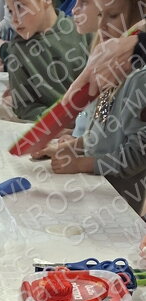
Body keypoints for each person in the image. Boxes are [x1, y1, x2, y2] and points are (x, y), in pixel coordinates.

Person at [35, 0, 146, 213]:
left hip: (116, 205)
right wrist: (71, 147)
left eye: (112, 16)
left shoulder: (140, 79)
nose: (101, 25)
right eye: (100, 15)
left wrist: (82, 164)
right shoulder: (105, 72)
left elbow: (135, 158)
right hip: (90, 190)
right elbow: (103, 134)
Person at [2, 0, 89, 120]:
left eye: (20, 7)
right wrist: (61, 120)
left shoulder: (84, 31)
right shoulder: (18, 49)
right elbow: (24, 107)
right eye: (10, 11)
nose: (14, 20)